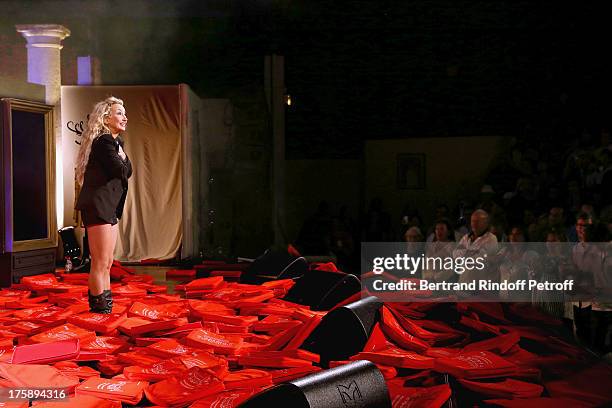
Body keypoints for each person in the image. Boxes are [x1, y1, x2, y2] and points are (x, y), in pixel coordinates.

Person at [75, 96, 132, 313]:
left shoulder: (117, 143)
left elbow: (129, 171)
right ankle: (100, 310)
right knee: (100, 262)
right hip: (98, 205)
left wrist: (122, 157)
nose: (124, 117)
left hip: (108, 206)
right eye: (119, 113)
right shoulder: (104, 141)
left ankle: (105, 307)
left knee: (107, 262)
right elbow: (120, 171)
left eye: (125, 113)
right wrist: (121, 159)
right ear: (106, 118)